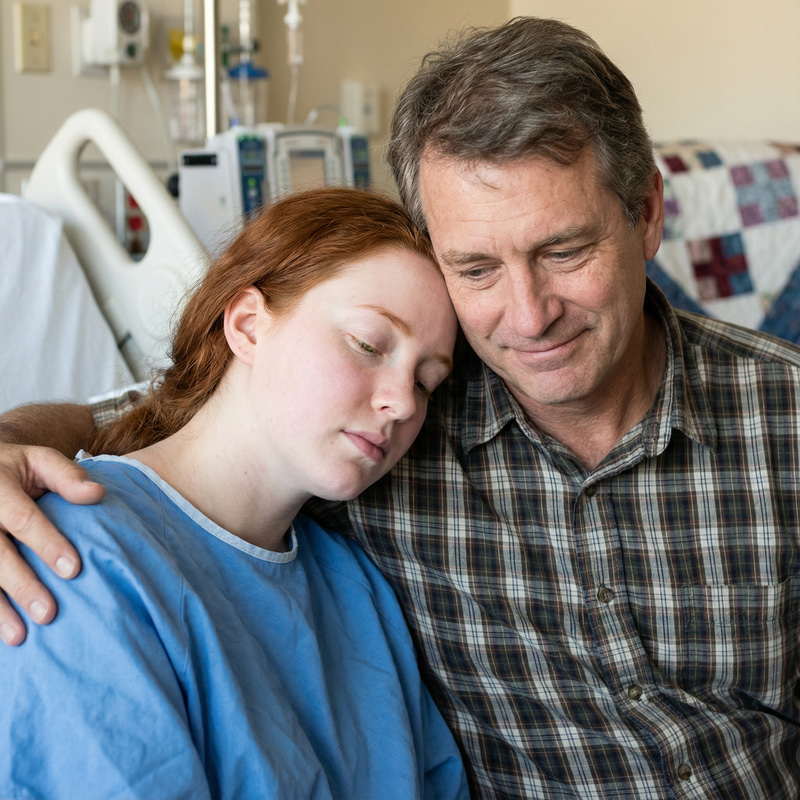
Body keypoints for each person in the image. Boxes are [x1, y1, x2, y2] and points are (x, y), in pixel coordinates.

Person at [0, 15, 798, 800]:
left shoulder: (782, 416)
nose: (528, 316)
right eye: (476, 268)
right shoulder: (381, 443)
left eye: (564, 251)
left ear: (649, 214)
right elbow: (162, 418)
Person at [0, 187, 469, 799]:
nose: (404, 402)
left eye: (426, 380)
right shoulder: (73, 555)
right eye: (368, 345)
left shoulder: (357, 590)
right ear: (247, 325)